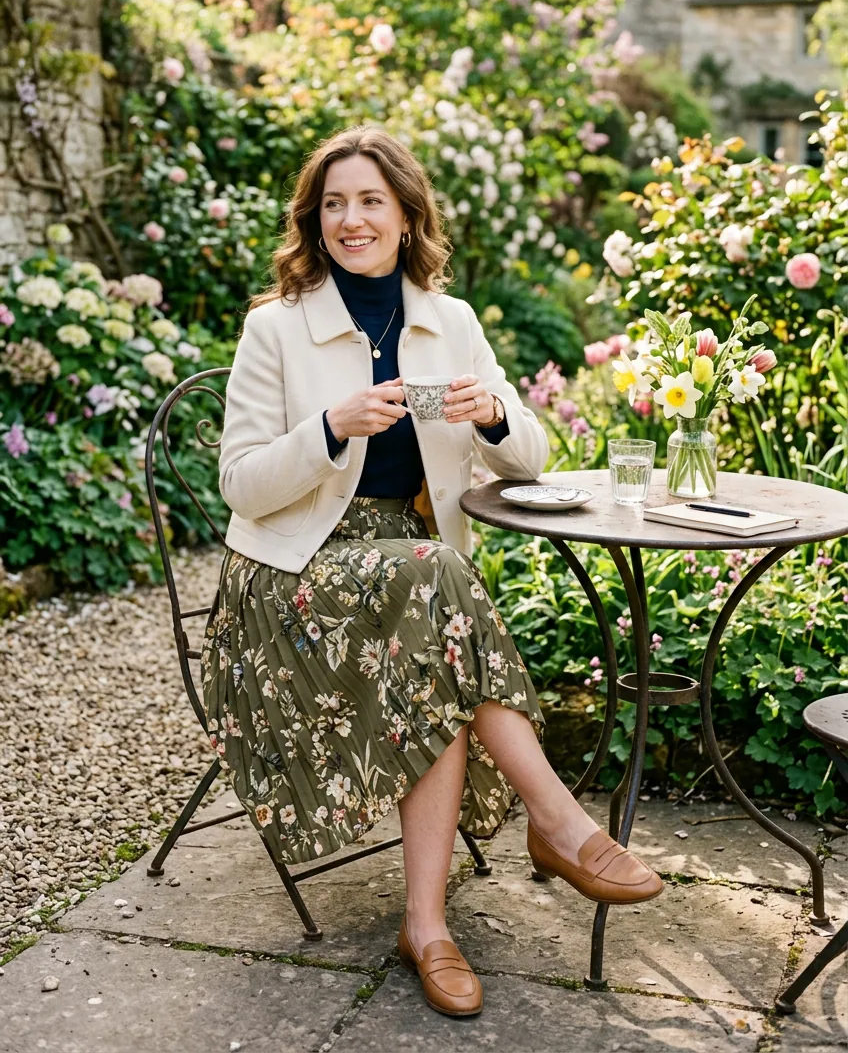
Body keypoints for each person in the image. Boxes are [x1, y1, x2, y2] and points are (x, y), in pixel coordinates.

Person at [201, 125, 662, 1019]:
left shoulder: (450, 322)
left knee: (428, 600)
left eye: (371, 201)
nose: (351, 219)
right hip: (291, 576)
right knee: (436, 578)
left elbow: (530, 462)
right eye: (334, 203)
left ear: (408, 216)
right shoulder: (277, 327)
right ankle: (560, 823)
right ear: (314, 219)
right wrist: (329, 427)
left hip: (412, 580)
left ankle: (427, 925)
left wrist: (495, 414)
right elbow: (242, 487)